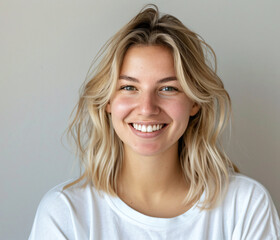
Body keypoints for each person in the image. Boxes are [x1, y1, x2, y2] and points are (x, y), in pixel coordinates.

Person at [29, 4, 280, 239]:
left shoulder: (246, 206)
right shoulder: (65, 213)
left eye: (168, 89)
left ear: (194, 103)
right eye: (129, 87)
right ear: (107, 102)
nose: (147, 108)